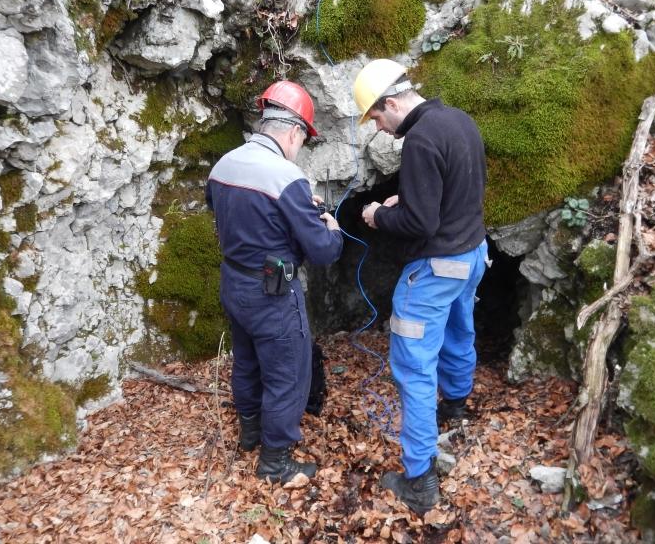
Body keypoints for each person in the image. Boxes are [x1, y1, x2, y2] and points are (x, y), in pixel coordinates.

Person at [353, 59, 489, 514]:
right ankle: (455, 407)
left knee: (413, 366)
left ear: (391, 103)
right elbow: (455, 191)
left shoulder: (419, 140)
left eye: (376, 117)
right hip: (472, 255)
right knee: (458, 331)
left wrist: (378, 215)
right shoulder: (458, 120)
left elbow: (420, 222)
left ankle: (419, 479)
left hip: (436, 269)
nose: (380, 128)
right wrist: (407, 199)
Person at [206, 81, 343, 484]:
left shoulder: (223, 165)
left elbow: (226, 209)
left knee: (246, 361)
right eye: (303, 139)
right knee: (287, 373)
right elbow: (321, 251)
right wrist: (331, 228)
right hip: (272, 293)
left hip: (234, 282)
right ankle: (275, 462)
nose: (300, 146)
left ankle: (250, 432)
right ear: (294, 131)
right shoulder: (287, 177)